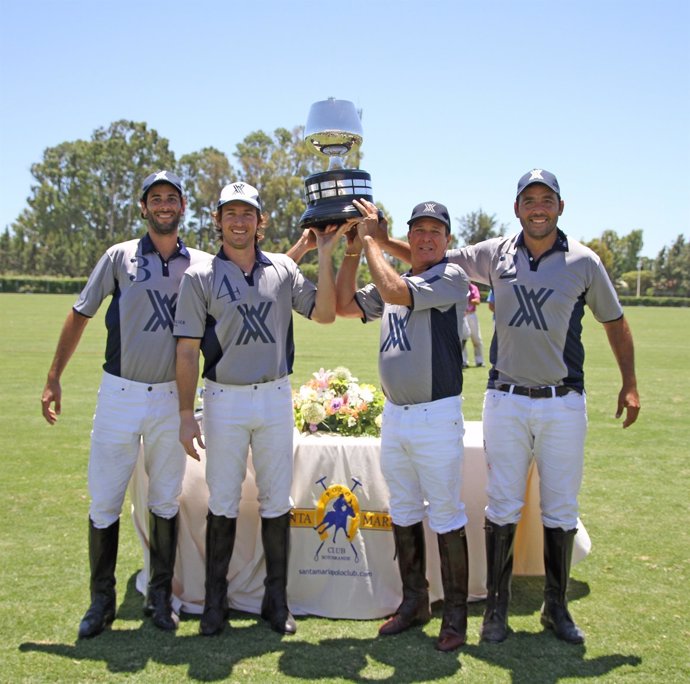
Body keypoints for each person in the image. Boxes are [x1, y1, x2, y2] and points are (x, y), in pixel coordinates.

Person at [375, 169, 640, 645]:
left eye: (546, 200)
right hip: (505, 398)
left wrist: (630, 383)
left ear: (560, 206)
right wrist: (383, 241)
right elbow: (429, 255)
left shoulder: (583, 261)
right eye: (529, 200)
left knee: (560, 507)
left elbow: (615, 321)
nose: (538, 207)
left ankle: (554, 608)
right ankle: (495, 611)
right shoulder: (496, 252)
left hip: (563, 400)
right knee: (502, 506)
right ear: (517, 208)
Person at [41, 170, 210, 638]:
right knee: (105, 501)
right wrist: (54, 376)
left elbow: (248, 269)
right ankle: (102, 602)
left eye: (171, 198)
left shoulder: (200, 263)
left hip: (172, 399)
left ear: (182, 206)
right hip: (119, 394)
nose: (163, 205)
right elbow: (80, 314)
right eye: (155, 198)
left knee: (165, 500)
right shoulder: (119, 257)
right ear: (143, 207)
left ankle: (160, 598)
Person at [174, 181, 346, 637]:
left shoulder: (284, 268)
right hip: (223, 398)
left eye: (247, 213)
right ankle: (215, 603)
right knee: (223, 500)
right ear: (217, 221)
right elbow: (187, 351)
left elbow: (325, 314)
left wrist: (326, 255)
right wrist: (185, 413)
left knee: (277, 500)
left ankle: (276, 601)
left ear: (259, 222)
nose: (238, 221)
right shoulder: (200, 276)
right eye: (230, 213)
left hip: (274, 396)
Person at [336, 198, 471, 652]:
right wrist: (354, 248)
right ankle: (414, 602)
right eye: (420, 230)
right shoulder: (399, 276)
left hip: (436, 415)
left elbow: (394, 292)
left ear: (448, 240)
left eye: (436, 231)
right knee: (405, 511)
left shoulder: (450, 276)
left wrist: (374, 239)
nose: (427, 238)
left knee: (447, 515)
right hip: (396, 415)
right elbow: (341, 305)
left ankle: (455, 616)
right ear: (409, 238)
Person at [462, 281, 484, 368]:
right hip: (463, 315)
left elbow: (477, 300)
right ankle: (464, 361)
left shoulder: (473, 288)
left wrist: (469, 300)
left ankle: (479, 360)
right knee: (463, 338)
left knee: (476, 338)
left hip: (471, 314)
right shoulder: (459, 286)